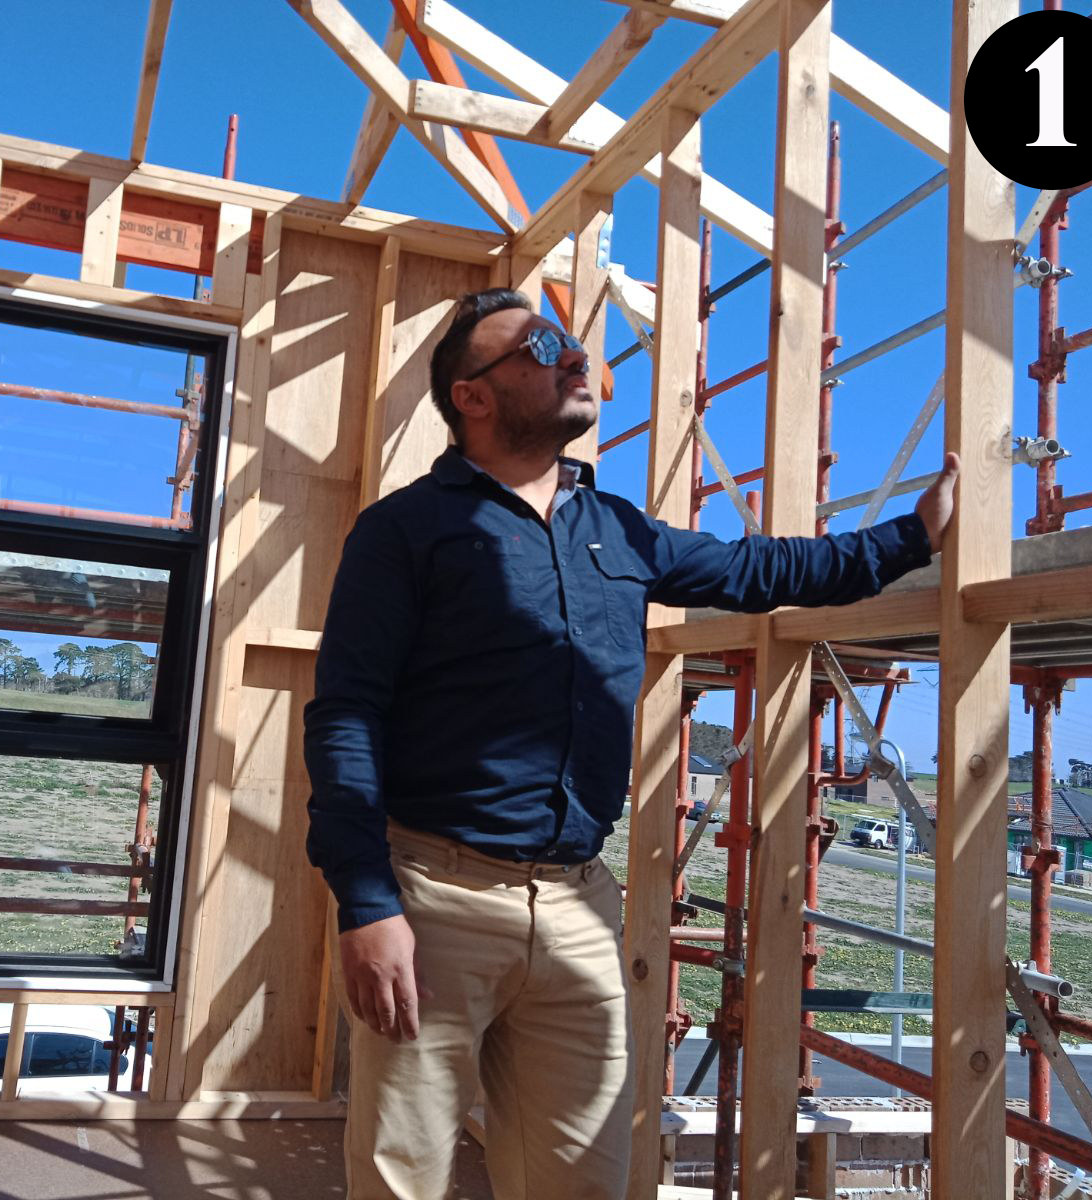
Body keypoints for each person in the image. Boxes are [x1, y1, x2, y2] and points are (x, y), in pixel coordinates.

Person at [304, 288, 958, 1200]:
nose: (577, 357)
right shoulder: (405, 530)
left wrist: (913, 537)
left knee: (586, 1182)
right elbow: (347, 714)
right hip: (435, 897)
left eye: (571, 342)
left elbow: (761, 569)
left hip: (578, 901)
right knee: (401, 1178)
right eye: (542, 347)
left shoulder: (615, 529)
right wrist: (367, 905)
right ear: (472, 396)